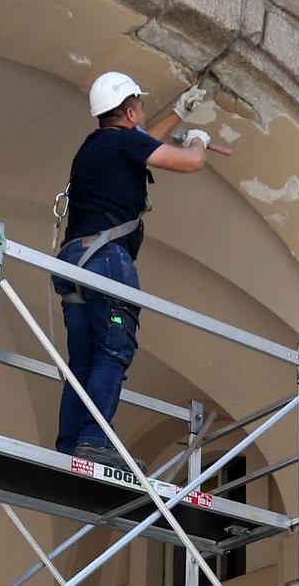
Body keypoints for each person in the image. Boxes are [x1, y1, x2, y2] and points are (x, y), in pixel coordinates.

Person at [53, 71, 211, 464]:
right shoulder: (123, 142)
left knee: (84, 360)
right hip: (107, 260)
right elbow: (191, 163)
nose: (142, 109)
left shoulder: (96, 147)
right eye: (139, 103)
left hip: (75, 260)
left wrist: (178, 112)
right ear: (128, 110)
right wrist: (197, 140)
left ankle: (70, 444)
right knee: (113, 351)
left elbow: (142, 140)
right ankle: (96, 442)